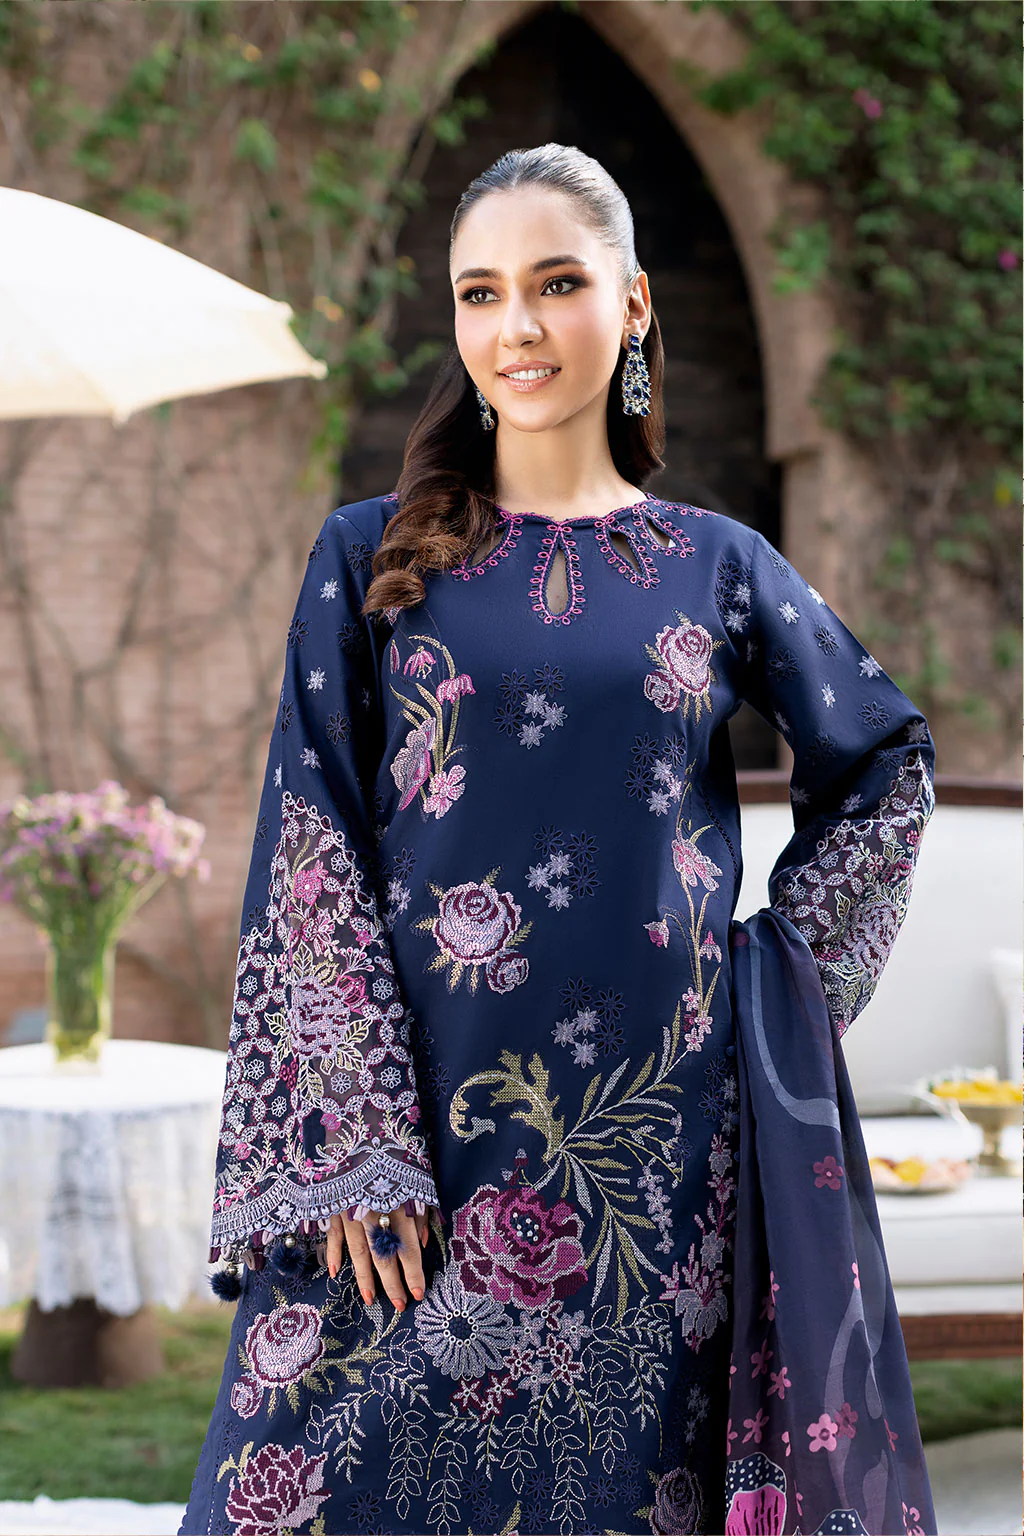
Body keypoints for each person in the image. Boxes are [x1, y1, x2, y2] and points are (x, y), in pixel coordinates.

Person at [179, 144, 937, 1536]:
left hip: (652, 1151)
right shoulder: (368, 557)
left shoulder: (714, 566)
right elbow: (311, 843)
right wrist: (353, 1134)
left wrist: (771, 994)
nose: (516, 327)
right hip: (412, 1138)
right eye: (480, 293)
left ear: (632, 303)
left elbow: (885, 761)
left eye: (556, 284)